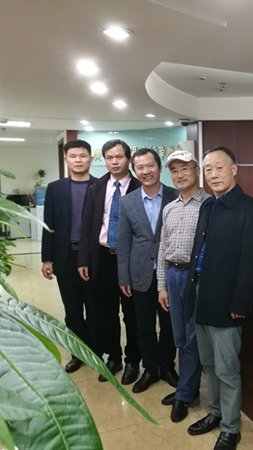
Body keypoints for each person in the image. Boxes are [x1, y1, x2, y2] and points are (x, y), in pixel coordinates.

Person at [186, 147, 253, 450]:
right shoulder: (207, 206)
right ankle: (216, 413)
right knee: (208, 363)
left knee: (227, 368)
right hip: (200, 294)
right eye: (208, 169)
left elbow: (252, 260)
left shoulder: (250, 208)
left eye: (219, 168)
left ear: (234, 169)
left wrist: (240, 302)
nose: (213, 174)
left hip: (226, 299)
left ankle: (231, 428)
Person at [78, 139, 141, 384]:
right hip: (102, 257)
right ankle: (114, 357)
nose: (114, 162)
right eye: (109, 158)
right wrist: (84, 259)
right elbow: (87, 225)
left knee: (132, 314)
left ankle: (133, 360)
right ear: (104, 160)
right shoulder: (96, 187)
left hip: (129, 258)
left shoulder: (139, 186)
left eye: (119, 157)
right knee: (106, 313)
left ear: (128, 159)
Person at [117, 148, 179, 393]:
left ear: (160, 167)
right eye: (140, 167)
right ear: (135, 171)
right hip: (139, 273)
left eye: (150, 166)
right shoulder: (127, 201)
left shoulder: (176, 196)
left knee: (169, 325)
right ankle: (151, 368)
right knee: (143, 326)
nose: (146, 171)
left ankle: (167, 366)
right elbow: (123, 242)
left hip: (170, 273)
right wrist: (123, 276)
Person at [156, 149, 210, 422]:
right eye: (174, 170)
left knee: (192, 338)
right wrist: (161, 286)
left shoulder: (209, 205)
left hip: (195, 277)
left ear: (197, 171)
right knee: (179, 336)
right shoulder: (169, 207)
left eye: (184, 168)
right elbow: (162, 248)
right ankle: (188, 387)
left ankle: (185, 393)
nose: (179, 175)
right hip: (173, 275)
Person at [41, 139, 99, 373]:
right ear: (66, 160)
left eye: (83, 156)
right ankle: (78, 353)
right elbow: (48, 224)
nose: (78, 160)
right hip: (65, 257)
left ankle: (96, 352)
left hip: (93, 258)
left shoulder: (100, 186)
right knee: (72, 310)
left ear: (90, 160)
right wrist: (46, 258)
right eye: (73, 156)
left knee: (95, 308)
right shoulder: (55, 188)